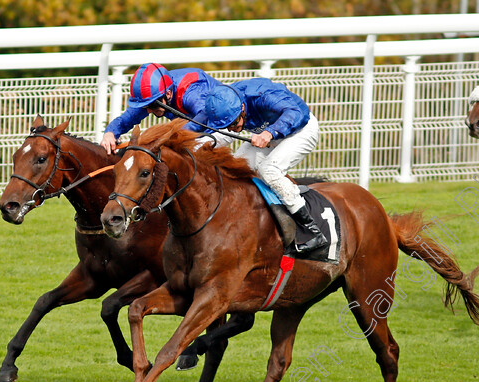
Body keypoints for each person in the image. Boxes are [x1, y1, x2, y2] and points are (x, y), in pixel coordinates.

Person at [203, 79, 328, 254]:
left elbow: (297, 112)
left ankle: (312, 231)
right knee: (231, 171)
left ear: (243, 109)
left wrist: (269, 133)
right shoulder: (226, 100)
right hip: (272, 132)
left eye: (233, 124)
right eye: (227, 126)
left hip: (301, 129)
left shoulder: (262, 96)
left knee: (269, 171)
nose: (231, 130)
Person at [100, 62, 223, 154]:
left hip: (223, 123)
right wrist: (110, 133)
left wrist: (172, 134)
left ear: (168, 94)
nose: (148, 111)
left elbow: (205, 113)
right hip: (201, 127)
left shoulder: (189, 92)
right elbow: (126, 119)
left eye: (152, 105)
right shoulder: (155, 96)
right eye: (145, 106)